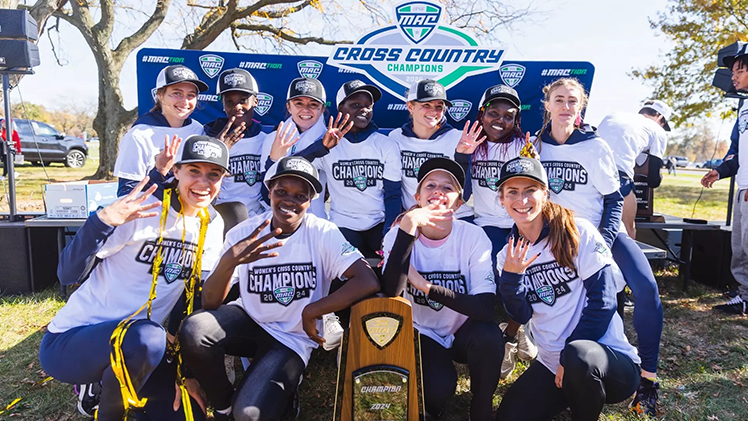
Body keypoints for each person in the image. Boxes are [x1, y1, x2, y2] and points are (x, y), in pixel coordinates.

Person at [39, 135, 229, 421]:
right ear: (175, 171)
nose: (203, 183)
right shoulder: (142, 209)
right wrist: (101, 221)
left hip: (141, 346)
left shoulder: (211, 224)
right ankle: (103, 397)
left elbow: (190, 301)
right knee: (148, 337)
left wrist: (182, 371)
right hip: (72, 342)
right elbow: (67, 274)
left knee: (188, 415)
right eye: (194, 171)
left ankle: (111, 380)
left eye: (213, 175)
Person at [179, 156, 381, 421]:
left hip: (292, 338)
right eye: (281, 191)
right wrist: (230, 261)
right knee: (196, 329)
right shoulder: (245, 231)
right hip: (250, 320)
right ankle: (223, 405)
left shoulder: (322, 232)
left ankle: (280, 396)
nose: (289, 201)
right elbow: (211, 303)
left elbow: (367, 280)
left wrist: (313, 310)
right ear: (269, 191)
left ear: (311, 201)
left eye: (300, 196)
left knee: (249, 415)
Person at [536, 78, 663, 416]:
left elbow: (613, 200)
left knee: (646, 289)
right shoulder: (535, 147)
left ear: (582, 106)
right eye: (558, 99)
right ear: (547, 104)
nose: (565, 106)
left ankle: (647, 379)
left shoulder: (594, 146)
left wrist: (605, 241)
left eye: (572, 101)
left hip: (599, 229)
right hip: (559, 233)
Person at [494, 156, 641, 421]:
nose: (522, 200)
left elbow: (605, 300)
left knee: (578, 356)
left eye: (530, 190)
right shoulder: (507, 254)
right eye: (512, 192)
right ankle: (569, 392)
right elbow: (522, 314)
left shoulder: (577, 231)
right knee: (509, 416)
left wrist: (566, 357)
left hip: (604, 360)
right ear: (501, 200)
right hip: (553, 365)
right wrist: (512, 278)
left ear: (545, 193)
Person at [381, 157, 502, 421]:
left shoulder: (473, 236)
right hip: (422, 331)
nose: (438, 191)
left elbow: (484, 308)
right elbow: (391, 293)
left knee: (489, 337)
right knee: (436, 392)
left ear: (459, 202)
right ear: (417, 196)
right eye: (430, 185)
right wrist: (408, 229)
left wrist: (424, 286)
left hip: (463, 329)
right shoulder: (397, 235)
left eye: (448, 188)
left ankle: (481, 405)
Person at [286, 80, 402, 258]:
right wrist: (321, 147)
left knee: (394, 262)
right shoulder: (325, 143)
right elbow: (290, 169)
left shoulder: (385, 144)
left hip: (378, 223)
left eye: (368, 106)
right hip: (342, 224)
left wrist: (389, 231)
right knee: (340, 271)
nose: (363, 109)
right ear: (341, 108)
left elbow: (393, 194)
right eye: (355, 104)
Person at [469, 84, 538, 378]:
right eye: (493, 113)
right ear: (482, 114)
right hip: (483, 223)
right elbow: (457, 186)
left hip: (515, 223)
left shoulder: (523, 144)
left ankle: (512, 334)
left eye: (508, 116)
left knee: (520, 277)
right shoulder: (469, 142)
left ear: (516, 120)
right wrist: (463, 152)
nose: (500, 120)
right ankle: (502, 332)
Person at [388, 79, 485, 220]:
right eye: (426, 105)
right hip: (415, 217)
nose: (433, 111)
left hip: (455, 217)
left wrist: (462, 157)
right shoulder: (396, 137)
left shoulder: (459, 139)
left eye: (439, 106)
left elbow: (464, 194)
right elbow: (393, 191)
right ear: (410, 107)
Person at [114, 65, 208, 196]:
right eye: (177, 93)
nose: (185, 101)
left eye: (191, 95)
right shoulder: (139, 135)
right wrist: (160, 171)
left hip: (189, 213)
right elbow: (127, 194)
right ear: (160, 95)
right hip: (154, 213)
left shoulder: (198, 130)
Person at [704, 46, 748, 315]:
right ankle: (744, 298)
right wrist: (720, 171)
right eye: (733, 72)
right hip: (743, 185)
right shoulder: (743, 105)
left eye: (740, 71)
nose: (734, 77)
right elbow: (739, 151)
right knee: (740, 248)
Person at [260, 77, 335, 218]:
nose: (305, 110)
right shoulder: (273, 138)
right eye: (298, 103)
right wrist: (274, 159)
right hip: (276, 218)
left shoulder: (331, 139)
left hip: (314, 219)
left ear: (322, 109)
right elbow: (266, 194)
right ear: (289, 106)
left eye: (313, 104)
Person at [203, 68, 267, 233]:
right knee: (237, 211)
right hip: (221, 217)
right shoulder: (207, 136)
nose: (237, 106)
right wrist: (219, 150)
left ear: (256, 101)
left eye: (243, 100)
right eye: (229, 102)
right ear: (223, 104)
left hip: (258, 219)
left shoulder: (267, 138)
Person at [596, 100, 671, 238]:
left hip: (589, 173)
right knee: (627, 232)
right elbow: (653, 180)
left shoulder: (614, 115)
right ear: (660, 118)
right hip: (618, 177)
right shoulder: (658, 131)